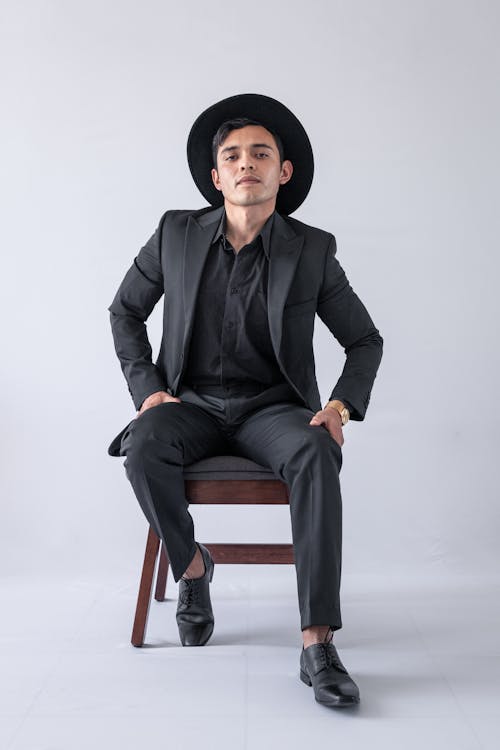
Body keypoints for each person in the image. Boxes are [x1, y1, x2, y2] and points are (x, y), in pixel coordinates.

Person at [107, 93, 383, 709]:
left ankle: (317, 643)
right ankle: (193, 569)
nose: (246, 164)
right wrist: (148, 389)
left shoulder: (311, 250)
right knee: (143, 444)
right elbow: (125, 311)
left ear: (283, 172)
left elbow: (364, 340)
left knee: (316, 451)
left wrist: (338, 409)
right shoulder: (174, 234)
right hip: (192, 406)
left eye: (261, 153)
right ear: (215, 176)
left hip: (274, 411)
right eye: (232, 156)